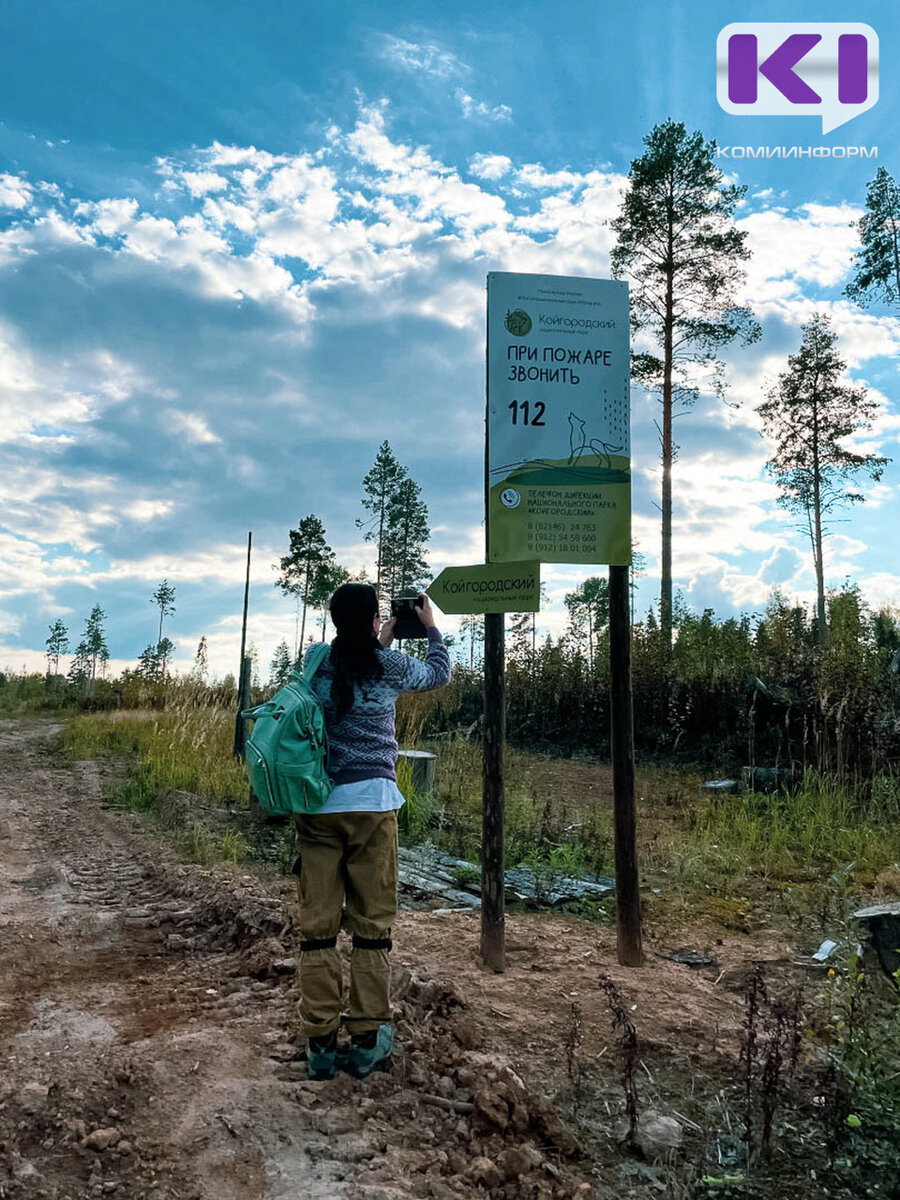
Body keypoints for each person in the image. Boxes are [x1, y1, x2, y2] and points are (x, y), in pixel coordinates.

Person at [296, 582, 451, 1080]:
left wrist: (378, 637)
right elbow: (439, 674)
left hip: (319, 808)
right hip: (374, 809)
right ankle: (367, 1039)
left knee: (318, 931)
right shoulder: (390, 668)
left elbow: (348, 671)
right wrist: (428, 628)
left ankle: (320, 1042)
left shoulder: (318, 661)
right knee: (371, 929)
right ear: (372, 618)